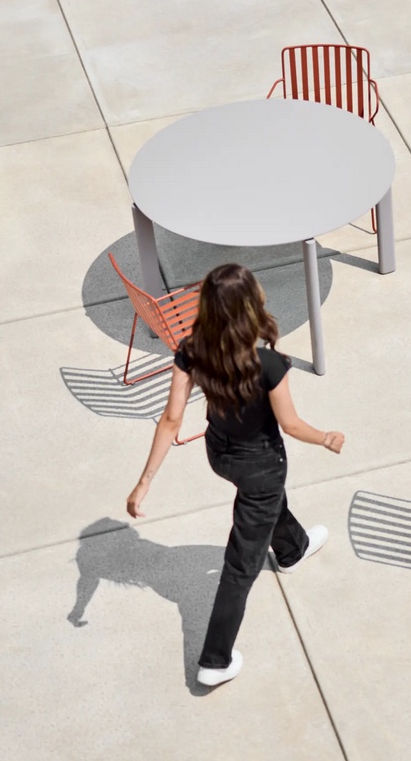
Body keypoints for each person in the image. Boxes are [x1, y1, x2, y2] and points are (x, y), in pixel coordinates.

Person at [126, 263, 344, 688]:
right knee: (239, 567)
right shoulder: (268, 363)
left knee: (261, 503)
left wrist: (145, 481)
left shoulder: (191, 351)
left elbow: (171, 420)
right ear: (249, 308)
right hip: (261, 466)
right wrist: (326, 438)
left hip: (220, 455)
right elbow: (292, 425)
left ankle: (292, 549)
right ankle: (215, 659)